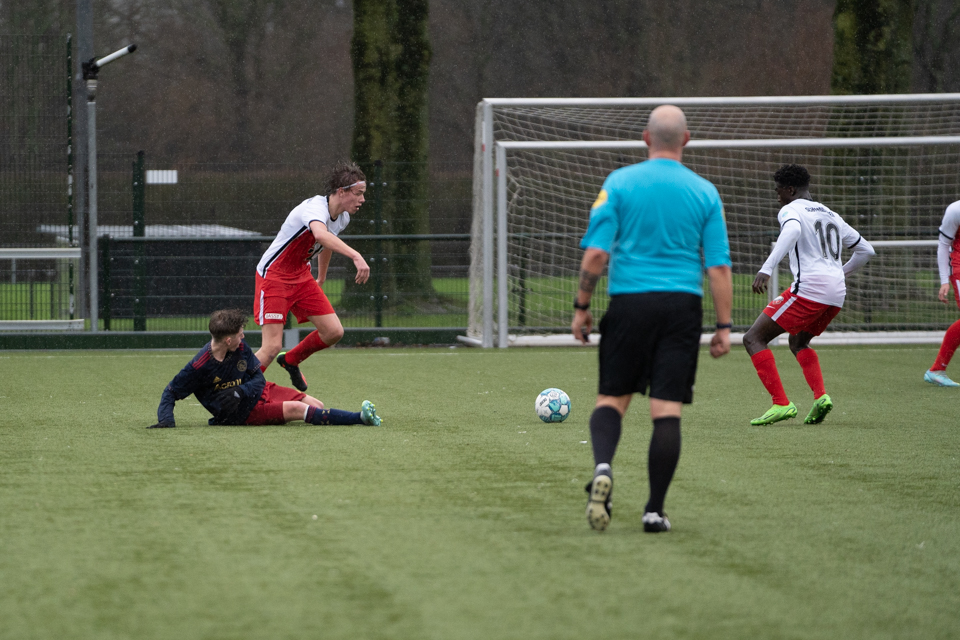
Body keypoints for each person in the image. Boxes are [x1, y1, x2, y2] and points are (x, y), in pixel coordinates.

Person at [572, 105, 733, 534]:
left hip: (629, 303)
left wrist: (582, 306)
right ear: (687, 139)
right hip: (681, 306)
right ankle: (653, 511)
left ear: (646, 138)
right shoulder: (705, 192)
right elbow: (717, 267)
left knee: (612, 399)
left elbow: (596, 254)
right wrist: (723, 327)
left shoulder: (618, 183)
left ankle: (603, 467)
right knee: (666, 411)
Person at [743, 164, 874, 425]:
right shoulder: (830, 214)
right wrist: (838, 273)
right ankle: (820, 397)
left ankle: (781, 403)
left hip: (810, 289)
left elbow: (791, 232)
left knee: (753, 338)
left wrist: (766, 268)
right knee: (798, 342)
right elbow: (866, 251)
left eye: (779, 190)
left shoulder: (791, 210)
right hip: (836, 294)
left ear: (790, 190)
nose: (777, 196)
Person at [149, 309, 381, 428]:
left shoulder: (240, 349)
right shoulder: (199, 367)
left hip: (258, 392)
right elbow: (170, 391)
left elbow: (258, 379)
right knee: (297, 410)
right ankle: (360, 418)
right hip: (241, 414)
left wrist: (241, 390)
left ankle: (354, 418)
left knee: (315, 405)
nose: (243, 336)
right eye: (239, 333)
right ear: (227, 340)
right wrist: (166, 420)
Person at [253, 162, 371, 392]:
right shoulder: (314, 208)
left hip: (301, 276)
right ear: (341, 191)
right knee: (271, 347)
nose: (362, 200)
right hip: (274, 276)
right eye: (358, 194)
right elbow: (320, 234)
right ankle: (236, 391)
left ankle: (291, 360)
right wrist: (355, 255)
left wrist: (322, 276)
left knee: (333, 332)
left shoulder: (342, 217)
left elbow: (326, 242)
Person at [924, 199, 960, 387]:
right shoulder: (956, 209)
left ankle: (937, 368)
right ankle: (937, 369)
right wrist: (944, 280)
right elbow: (944, 244)